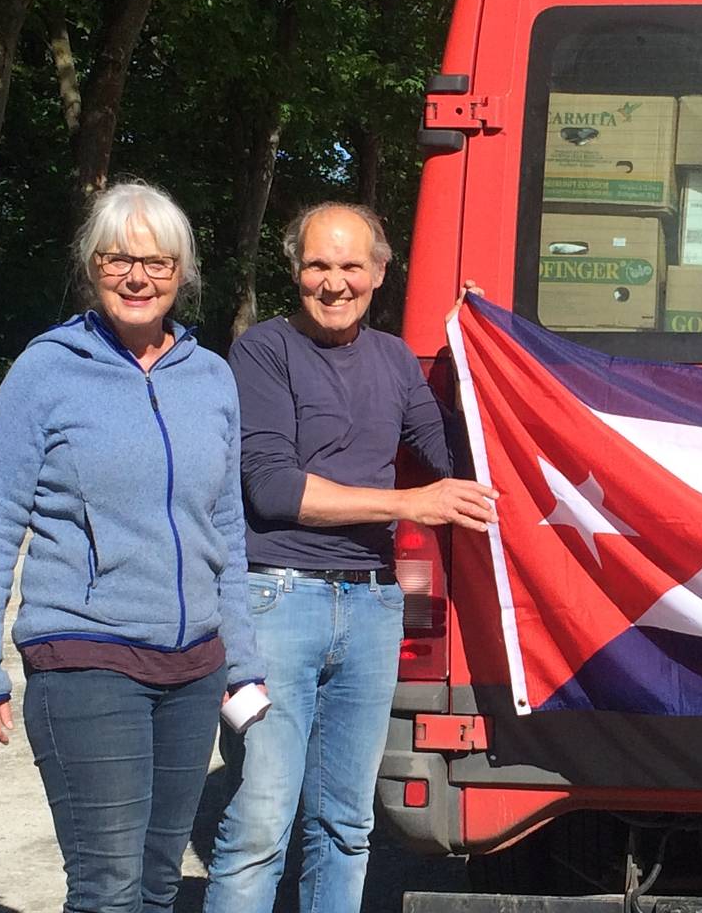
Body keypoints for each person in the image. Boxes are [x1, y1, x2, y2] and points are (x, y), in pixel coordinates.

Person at [0, 181, 267, 913]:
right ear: (91, 267)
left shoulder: (212, 378)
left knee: (160, 883)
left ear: (182, 274)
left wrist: (241, 660)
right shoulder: (45, 372)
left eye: (156, 263)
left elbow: (225, 532)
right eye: (116, 259)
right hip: (86, 659)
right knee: (109, 886)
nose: (136, 277)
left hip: (193, 669)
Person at [204, 202, 495, 913]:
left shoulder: (395, 358)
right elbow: (271, 489)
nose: (334, 284)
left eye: (350, 267)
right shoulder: (262, 351)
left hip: (370, 608)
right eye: (317, 266)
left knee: (348, 827)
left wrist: (482, 354)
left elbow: (456, 457)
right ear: (295, 270)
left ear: (379, 271)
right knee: (261, 824)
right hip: (276, 600)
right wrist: (407, 506)